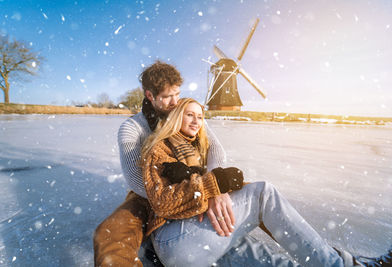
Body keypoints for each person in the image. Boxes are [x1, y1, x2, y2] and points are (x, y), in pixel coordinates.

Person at [141, 97, 392, 267]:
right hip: (172, 242)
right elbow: (162, 203)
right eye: (189, 115)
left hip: (195, 240)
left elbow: (207, 182)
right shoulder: (159, 148)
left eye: (201, 116)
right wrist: (212, 186)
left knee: (257, 255)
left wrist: (220, 188)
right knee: (262, 194)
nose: (197, 121)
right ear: (176, 117)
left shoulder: (197, 150)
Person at [94, 61, 236, 266]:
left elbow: (216, 151)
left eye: (177, 94)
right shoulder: (132, 128)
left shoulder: (185, 114)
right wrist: (176, 198)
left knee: (255, 195)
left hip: (196, 182)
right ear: (150, 95)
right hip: (149, 193)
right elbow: (135, 179)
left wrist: (210, 189)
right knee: (109, 235)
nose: (174, 101)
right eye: (167, 96)